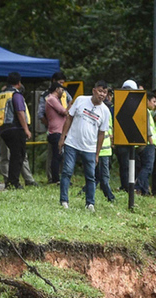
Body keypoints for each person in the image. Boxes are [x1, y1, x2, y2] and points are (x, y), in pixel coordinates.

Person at [58, 81, 111, 211]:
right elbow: (69, 118)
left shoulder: (105, 111)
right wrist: (63, 137)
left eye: (105, 92)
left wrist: (97, 154)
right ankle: (64, 200)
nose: (102, 94)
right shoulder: (81, 100)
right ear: (93, 90)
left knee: (90, 176)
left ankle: (90, 203)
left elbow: (101, 134)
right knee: (67, 171)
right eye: (100, 91)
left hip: (90, 148)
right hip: (72, 143)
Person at [0, 72, 32, 189]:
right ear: (18, 83)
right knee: (18, 155)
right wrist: (26, 129)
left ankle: (11, 181)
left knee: (14, 155)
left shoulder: (0, 95)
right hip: (15, 128)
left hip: (3, 128)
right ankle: (13, 183)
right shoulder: (16, 95)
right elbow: (20, 112)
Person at [37, 71, 73, 183]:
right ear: (54, 83)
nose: (62, 87)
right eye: (60, 84)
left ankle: (63, 177)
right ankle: (53, 178)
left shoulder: (65, 94)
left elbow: (71, 104)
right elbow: (40, 114)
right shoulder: (47, 96)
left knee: (62, 155)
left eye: (63, 83)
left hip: (64, 129)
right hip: (55, 130)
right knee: (54, 155)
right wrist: (50, 124)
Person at [115, 79, 139, 190]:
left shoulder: (138, 105)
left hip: (133, 140)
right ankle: (126, 186)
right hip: (121, 139)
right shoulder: (117, 105)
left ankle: (130, 185)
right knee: (124, 165)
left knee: (132, 164)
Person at [134, 92, 156, 195]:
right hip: (148, 144)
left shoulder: (138, 110)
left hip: (140, 144)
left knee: (143, 167)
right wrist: (152, 143)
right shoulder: (145, 112)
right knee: (148, 168)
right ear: (147, 101)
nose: (155, 104)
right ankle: (137, 186)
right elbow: (148, 130)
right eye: (153, 101)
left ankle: (145, 191)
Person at [44, 82, 67, 187]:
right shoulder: (52, 99)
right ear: (57, 89)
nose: (63, 92)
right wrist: (71, 105)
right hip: (56, 131)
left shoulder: (54, 99)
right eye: (62, 89)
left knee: (59, 155)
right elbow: (63, 111)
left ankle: (58, 178)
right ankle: (55, 179)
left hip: (58, 131)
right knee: (57, 156)